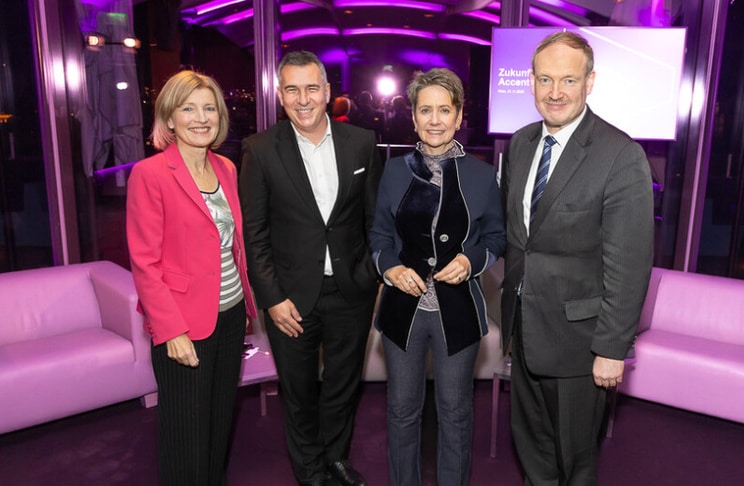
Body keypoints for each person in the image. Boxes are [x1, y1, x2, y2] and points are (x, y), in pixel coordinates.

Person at [500, 31, 654, 485]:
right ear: (531, 82)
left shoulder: (620, 155)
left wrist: (611, 349)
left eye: (568, 80)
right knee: (532, 450)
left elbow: (629, 266)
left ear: (589, 82)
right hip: (524, 330)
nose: (555, 92)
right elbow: (522, 240)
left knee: (575, 460)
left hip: (580, 345)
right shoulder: (520, 143)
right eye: (545, 79)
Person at [239, 51, 383, 486]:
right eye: (292, 90)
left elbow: (374, 220)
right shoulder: (260, 149)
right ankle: (310, 472)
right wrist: (272, 298)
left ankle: (336, 457)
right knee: (298, 390)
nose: (303, 99)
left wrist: (370, 275)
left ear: (326, 91)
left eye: (311, 88)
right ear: (280, 95)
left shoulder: (362, 142)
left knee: (343, 385)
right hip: (289, 298)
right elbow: (255, 234)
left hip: (350, 292)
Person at [369, 68, 506, 486]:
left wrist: (471, 260)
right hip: (402, 311)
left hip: (458, 311)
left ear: (459, 115)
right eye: (425, 110)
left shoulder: (483, 175)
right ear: (412, 117)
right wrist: (390, 267)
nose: (434, 120)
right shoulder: (393, 170)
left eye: (444, 110)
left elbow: (497, 237)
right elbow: (379, 235)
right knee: (401, 411)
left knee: (455, 412)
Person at [126, 70, 258, 486]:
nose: (201, 118)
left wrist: (245, 305)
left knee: (218, 425)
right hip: (183, 324)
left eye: (209, 109)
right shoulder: (150, 174)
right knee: (186, 436)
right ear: (169, 118)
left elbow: (232, 246)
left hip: (231, 315)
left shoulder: (226, 168)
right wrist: (171, 331)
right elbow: (145, 263)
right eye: (188, 108)